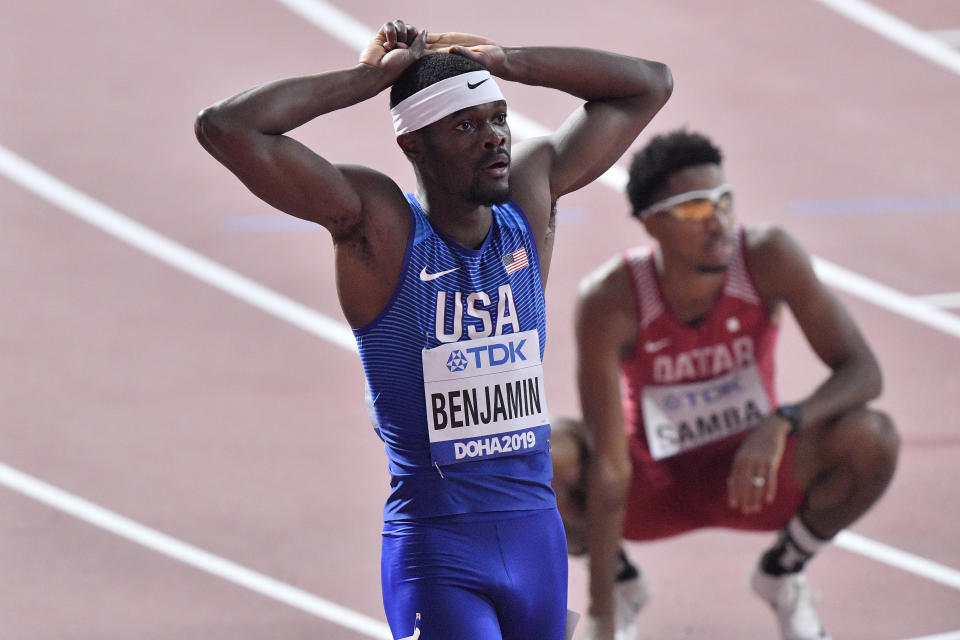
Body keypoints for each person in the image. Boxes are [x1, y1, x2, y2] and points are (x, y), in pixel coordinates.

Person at [194, 20, 672, 640]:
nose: (495, 138)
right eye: (466, 126)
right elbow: (225, 128)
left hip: (536, 538)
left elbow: (649, 85)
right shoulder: (380, 228)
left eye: (498, 118)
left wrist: (510, 61)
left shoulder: (526, 204)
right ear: (415, 144)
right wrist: (366, 81)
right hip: (440, 552)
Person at [551, 129, 900, 640]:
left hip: (752, 474)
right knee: (537, 457)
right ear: (654, 224)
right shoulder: (611, 298)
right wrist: (599, 609)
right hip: (650, 482)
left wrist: (785, 421)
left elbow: (863, 371)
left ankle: (783, 573)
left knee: (873, 439)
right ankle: (622, 586)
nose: (717, 220)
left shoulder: (768, 257)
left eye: (723, 201)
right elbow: (608, 461)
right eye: (694, 209)